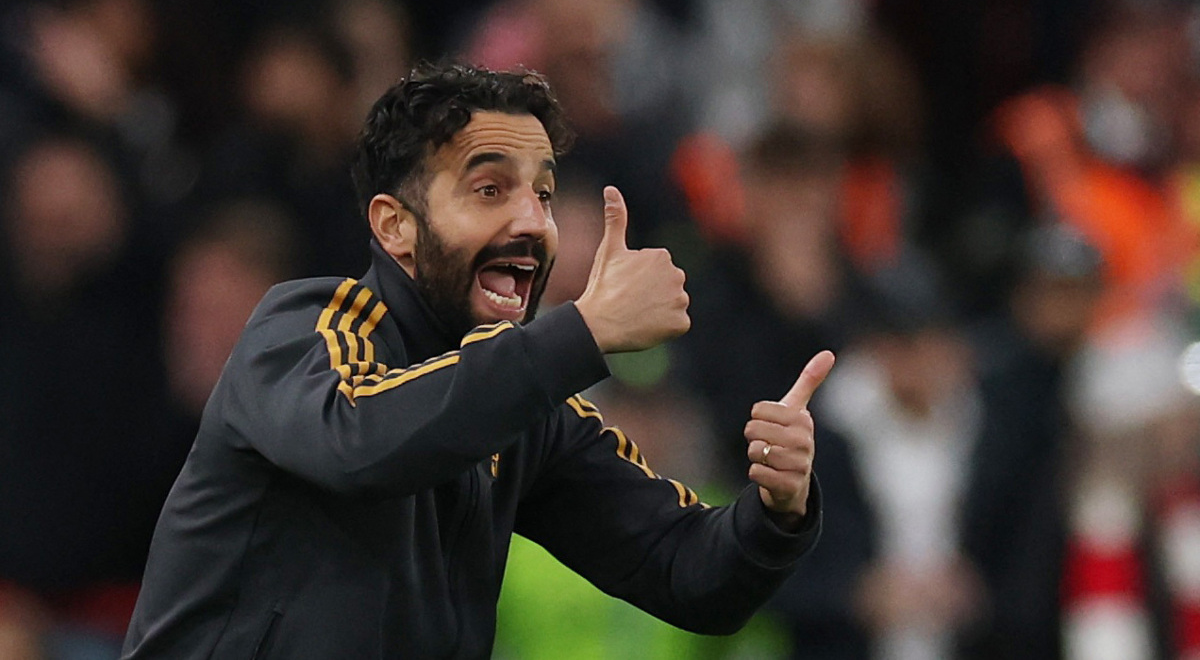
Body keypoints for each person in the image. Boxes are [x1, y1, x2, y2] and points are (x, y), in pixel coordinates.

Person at [121, 62, 834, 659]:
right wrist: (582, 331)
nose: (532, 222)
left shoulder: (527, 407)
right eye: (490, 189)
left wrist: (778, 508)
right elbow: (361, 443)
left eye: (544, 194)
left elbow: (686, 570)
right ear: (395, 227)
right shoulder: (301, 330)